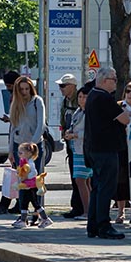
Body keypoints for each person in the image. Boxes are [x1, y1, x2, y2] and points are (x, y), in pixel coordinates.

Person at [84, 67, 131, 239]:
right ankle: (103, 225)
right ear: (105, 80)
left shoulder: (92, 96)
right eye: (114, 79)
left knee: (98, 187)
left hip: (94, 149)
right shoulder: (104, 97)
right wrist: (127, 111)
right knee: (106, 187)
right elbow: (125, 119)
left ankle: (93, 225)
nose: (116, 82)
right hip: (105, 149)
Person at [0, 70, 23, 214]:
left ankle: (8, 204)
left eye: (9, 85)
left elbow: (20, 117)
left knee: (17, 173)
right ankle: (17, 203)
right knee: (17, 173)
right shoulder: (16, 95)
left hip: (19, 139)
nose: (7, 88)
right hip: (15, 137)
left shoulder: (18, 96)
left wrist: (9, 118)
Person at [57, 73, 85, 218]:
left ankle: (81, 207)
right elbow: (63, 120)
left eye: (63, 85)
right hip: (70, 143)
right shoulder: (64, 101)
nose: (60, 88)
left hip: (80, 144)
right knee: (75, 177)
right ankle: (77, 206)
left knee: (81, 178)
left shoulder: (78, 102)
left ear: (72, 86)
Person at [115, 81, 131, 223]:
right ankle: (120, 211)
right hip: (122, 147)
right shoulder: (119, 106)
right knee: (121, 179)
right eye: (128, 91)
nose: (130, 94)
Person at [12, 141, 52, 229]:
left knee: (35, 204)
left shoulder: (30, 164)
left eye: (21, 153)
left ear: (29, 153)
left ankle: (45, 219)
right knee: (24, 203)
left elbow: (34, 173)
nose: (19, 154)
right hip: (25, 186)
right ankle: (23, 220)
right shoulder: (24, 162)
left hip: (30, 187)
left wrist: (25, 177)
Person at [65, 87, 92, 217]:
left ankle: (87, 211)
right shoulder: (78, 111)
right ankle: (89, 210)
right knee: (84, 181)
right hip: (76, 149)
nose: (82, 99)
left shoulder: (90, 113)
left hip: (84, 150)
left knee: (81, 180)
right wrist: (69, 133)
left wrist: (74, 135)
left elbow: (89, 132)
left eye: (85, 97)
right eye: (80, 97)